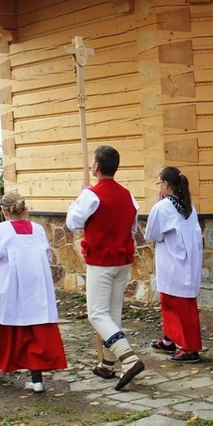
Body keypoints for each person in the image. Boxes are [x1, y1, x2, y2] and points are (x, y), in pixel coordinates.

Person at [66, 145, 144, 391]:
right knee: (112, 312)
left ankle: (127, 358)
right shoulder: (128, 195)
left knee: (97, 313)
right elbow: (132, 228)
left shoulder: (91, 195)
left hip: (101, 260)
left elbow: (72, 223)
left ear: (96, 167)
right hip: (122, 259)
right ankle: (108, 364)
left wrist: (81, 196)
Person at [0, 191, 67, 393]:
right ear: (24, 208)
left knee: (5, 327)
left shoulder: (0, 231)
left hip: (10, 285)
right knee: (34, 330)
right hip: (36, 287)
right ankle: (37, 379)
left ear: (4, 211)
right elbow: (48, 257)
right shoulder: (38, 229)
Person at [145, 167, 204, 363]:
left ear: (165, 185)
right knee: (170, 302)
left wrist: (156, 205)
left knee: (178, 305)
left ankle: (189, 348)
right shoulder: (188, 206)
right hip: (186, 261)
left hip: (172, 260)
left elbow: (152, 234)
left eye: (159, 183)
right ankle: (170, 339)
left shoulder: (162, 207)